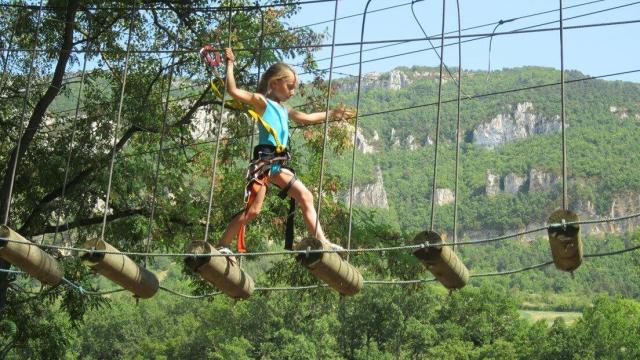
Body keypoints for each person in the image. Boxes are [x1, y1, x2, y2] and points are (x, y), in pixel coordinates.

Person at [216, 48, 352, 256]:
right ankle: (223, 244)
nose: (293, 92)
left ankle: (322, 241)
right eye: (290, 87)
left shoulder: (284, 109)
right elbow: (233, 91)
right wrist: (230, 64)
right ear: (274, 84)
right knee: (254, 210)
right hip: (264, 163)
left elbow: (306, 118)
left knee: (305, 196)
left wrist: (332, 114)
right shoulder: (262, 102)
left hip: (278, 164)